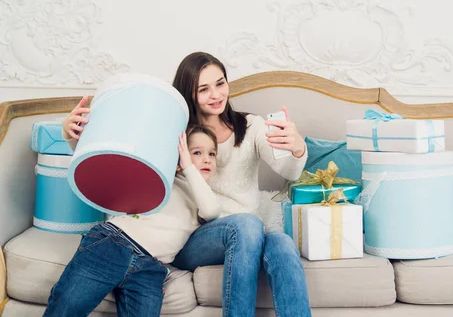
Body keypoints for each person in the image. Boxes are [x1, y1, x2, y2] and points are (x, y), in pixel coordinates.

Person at [171, 52, 311, 317]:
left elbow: (289, 172)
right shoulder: (180, 135)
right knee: (246, 222)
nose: (215, 94)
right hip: (198, 239)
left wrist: (296, 147)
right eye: (203, 89)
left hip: (250, 234)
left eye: (220, 83)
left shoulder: (251, 126)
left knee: (281, 243)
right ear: (189, 94)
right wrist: (76, 141)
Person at [43, 120, 221, 317]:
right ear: (179, 158)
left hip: (151, 268)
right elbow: (106, 167)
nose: (207, 159)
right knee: (67, 305)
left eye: (212, 154)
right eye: (196, 152)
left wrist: (190, 168)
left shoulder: (205, 197)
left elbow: (212, 211)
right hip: (113, 243)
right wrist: (71, 136)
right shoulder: (164, 178)